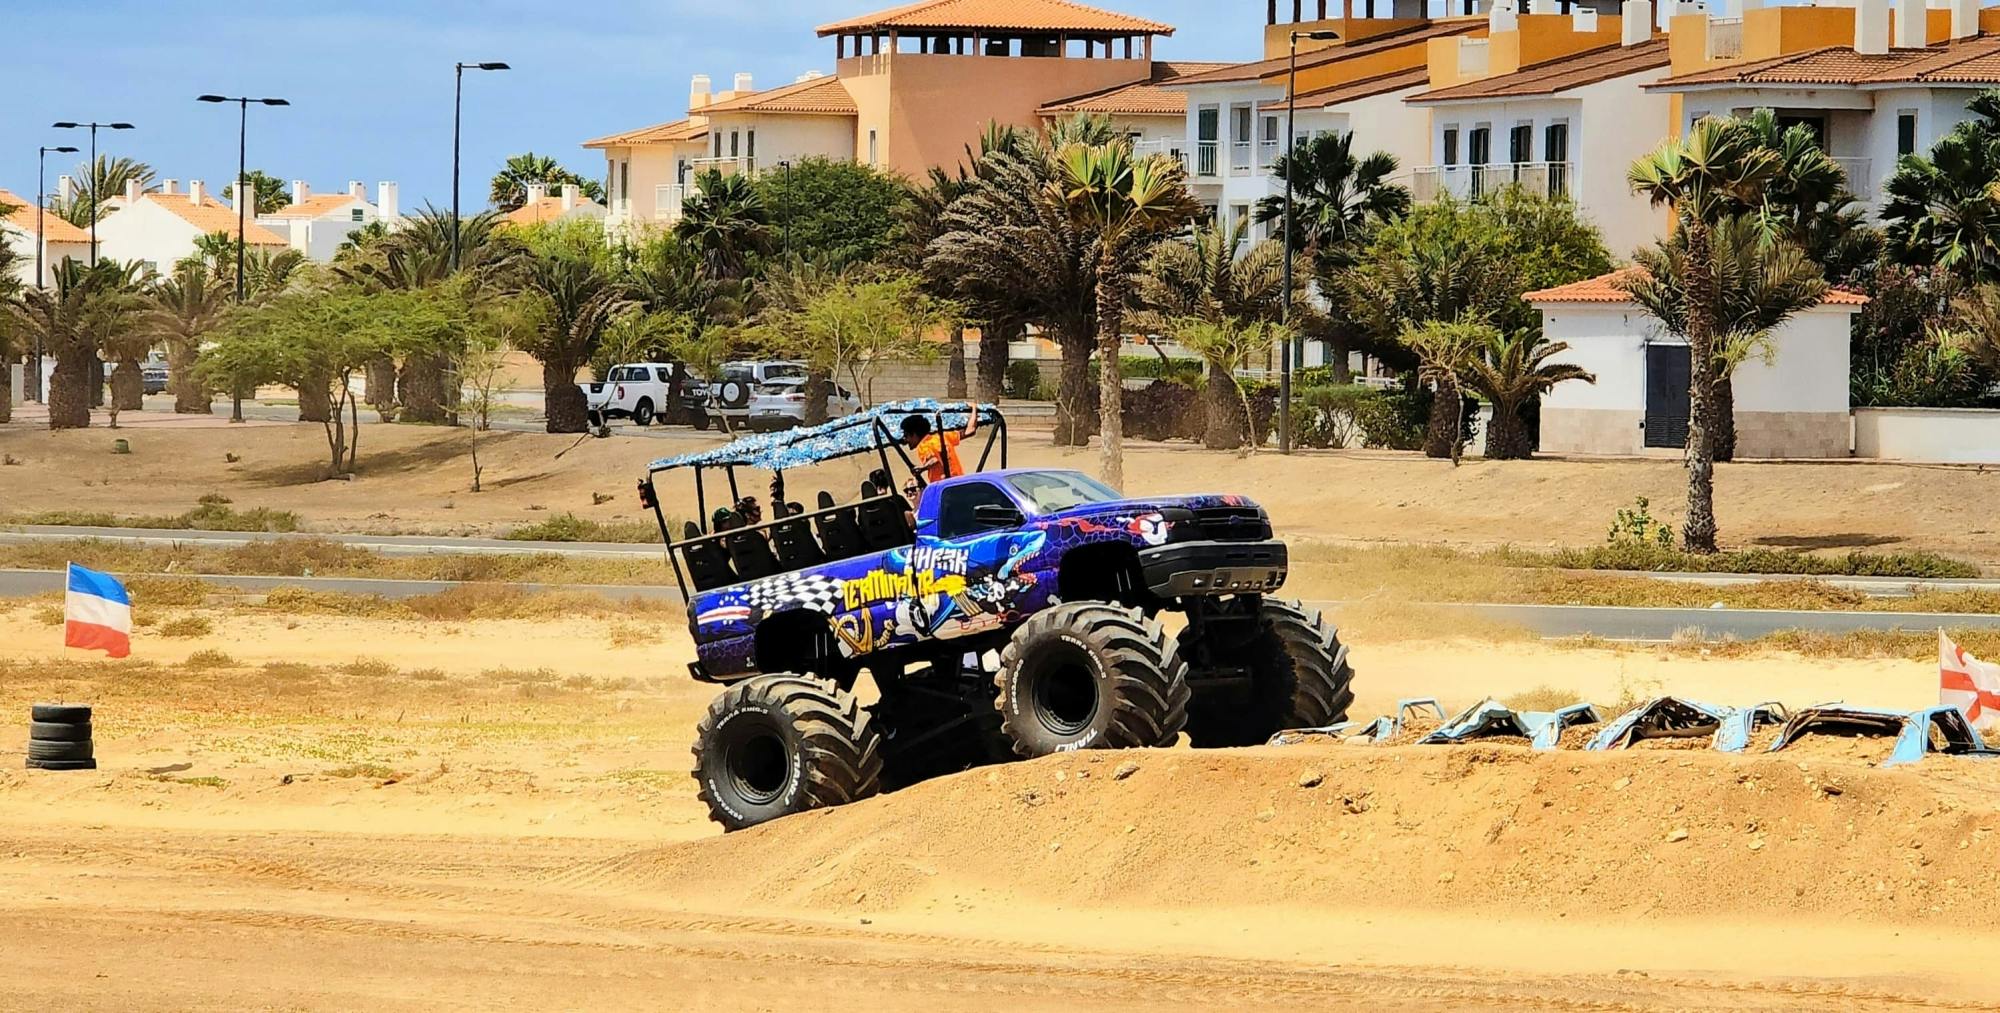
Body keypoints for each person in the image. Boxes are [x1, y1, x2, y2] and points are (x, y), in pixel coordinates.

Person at [902, 409, 978, 485]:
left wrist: (922, 469)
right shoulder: (943, 436)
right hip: (959, 481)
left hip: (942, 486)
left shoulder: (923, 445)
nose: (905, 439)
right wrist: (974, 409)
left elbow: (934, 460)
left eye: (906, 436)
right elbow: (970, 431)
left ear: (914, 435)